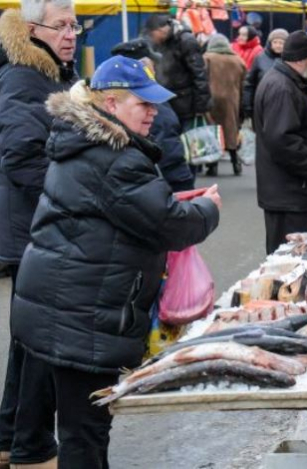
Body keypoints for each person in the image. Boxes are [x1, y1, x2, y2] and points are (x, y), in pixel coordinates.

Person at [10, 55, 220, 468]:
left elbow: (125, 208)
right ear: (110, 105)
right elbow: (166, 224)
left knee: (70, 430)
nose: (152, 111)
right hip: (82, 314)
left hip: (58, 304)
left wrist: (166, 202)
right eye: (142, 103)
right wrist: (209, 210)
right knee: (85, 435)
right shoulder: (115, 157)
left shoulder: (86, 142)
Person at [0, 1, 79, 466]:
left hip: (36, 227)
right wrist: (72, 194)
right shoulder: (23, 76)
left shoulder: (49, 72)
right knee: (39, 340)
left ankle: (12, 436)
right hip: (33, 228)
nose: (71, 34)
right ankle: (30, 445)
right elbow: (21, 156)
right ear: (32, 30)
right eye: (61, 25)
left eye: (75, 25)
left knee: (28, 341)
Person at [254, 31, 307, 255]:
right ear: (301, 59)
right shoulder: (282, 87)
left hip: (290, 191)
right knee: (286, 258)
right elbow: (282, 140)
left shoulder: (287, 82)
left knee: (288, 256)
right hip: (289, 192)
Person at [111, 39, 195, 191]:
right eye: (150, 64)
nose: (154, 68)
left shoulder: (114, 102)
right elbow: (170, 156)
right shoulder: (152, 105)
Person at [143, 14, 211, 130]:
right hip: (169, 102)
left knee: (187, 142)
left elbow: (199, 74)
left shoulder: (186, 41)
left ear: (161, 30)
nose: (151, 38)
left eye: (152, 34)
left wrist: (201, 107)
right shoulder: (163, 42)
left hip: (186, 106)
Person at [204, 34, 246, 176]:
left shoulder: (207, 58)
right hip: (232, 100)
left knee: (212, 131)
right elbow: (243, 84)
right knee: (230, 130)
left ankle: (212, 166)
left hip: (212, 99)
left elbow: (201, 79)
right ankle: (235, 162)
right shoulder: (238, 60)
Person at [242, 28, 288, 120]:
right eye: (275, 42)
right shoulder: (260, 58)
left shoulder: (291, 60)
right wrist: (248, 105)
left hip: (285, 106)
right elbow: (250, 83)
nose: (278, 45)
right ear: (270, 43)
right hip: (263, 105)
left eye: (281, 43)